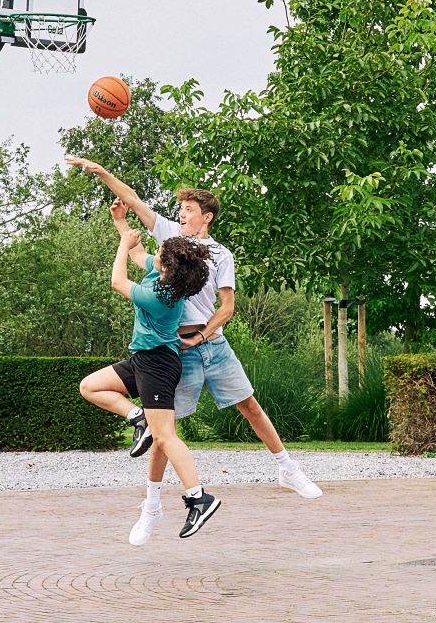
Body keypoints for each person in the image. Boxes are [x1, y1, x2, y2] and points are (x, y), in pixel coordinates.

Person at [66, 156, 322, 546]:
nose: (181, 215)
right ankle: (152, 505)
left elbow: (227, 308)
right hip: (175, 350)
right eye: (180, 209)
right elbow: (133, 201)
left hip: (210, 344)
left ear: (207, 217)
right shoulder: (170, 241)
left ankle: (287, 468)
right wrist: (102, 173)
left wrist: (202, 336)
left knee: (249, 406)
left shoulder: (220, 255)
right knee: (163, 433)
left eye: (188, 210)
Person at [78, 225, 223, 539]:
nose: (155, 253)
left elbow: (117, 281)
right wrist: (122, 223)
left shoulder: (161, 296)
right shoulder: (163, 274)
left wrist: (122, 243)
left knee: (166, 438)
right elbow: (138, 254)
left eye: (160, 252)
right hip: (142, 359)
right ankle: (137, 416)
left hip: (158, 365)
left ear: (167, 266)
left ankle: (199, 497)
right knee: (90, 386)